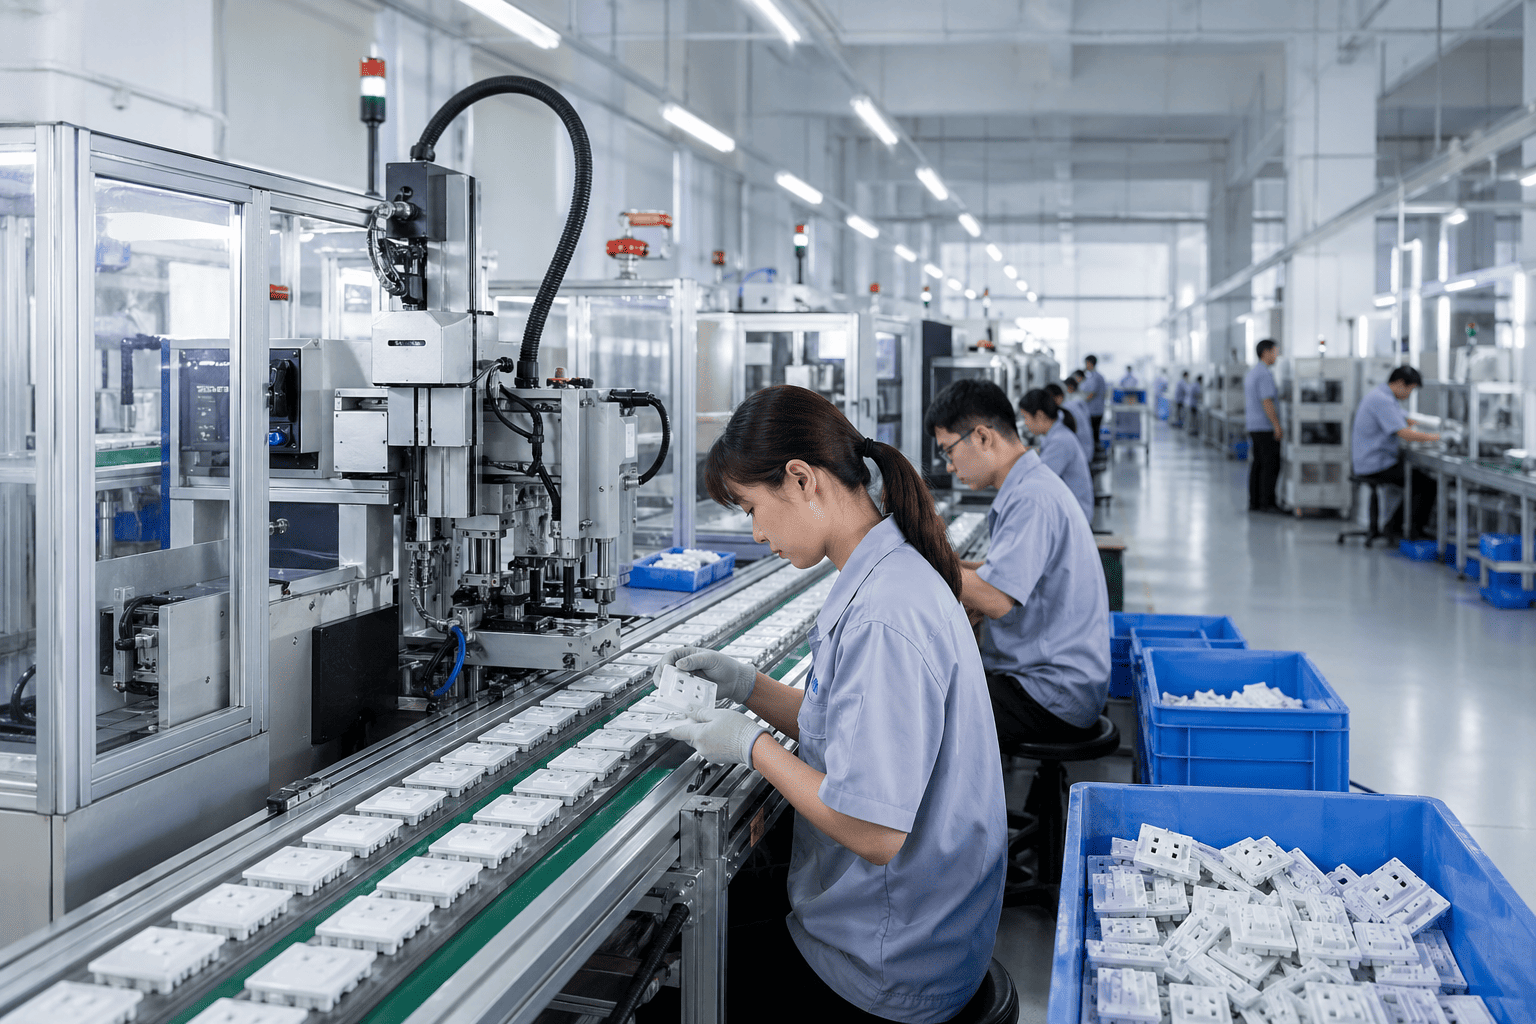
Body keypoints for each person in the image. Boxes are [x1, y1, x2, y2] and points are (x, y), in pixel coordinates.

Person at [662, 384, 1005, 1024]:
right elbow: (843, 729)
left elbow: (874, 831)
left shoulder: (884, 612)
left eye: (752, 509)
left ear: (801, 480)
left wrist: (750, 746)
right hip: (916, 924)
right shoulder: (884, 567)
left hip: (889, 961)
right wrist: (747, 686)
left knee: (679, 986)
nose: (758, 533)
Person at [924, 378, 1110, 754]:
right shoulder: (1029, 485)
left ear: (981, 437)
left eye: (949, 451)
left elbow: (995, 599)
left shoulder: (1031, 498)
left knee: (918, 706)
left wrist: (918, 561)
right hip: (1059, 680)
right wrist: (957, 567)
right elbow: (1003, 573)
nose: (948, 465)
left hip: (1053, 693)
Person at [1352, 365, 1441, 540]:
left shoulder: (1382, 396)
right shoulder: (1382, 400)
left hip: (1371, 460)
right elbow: (1403, 432)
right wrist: (1437, 438)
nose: (1409, 395)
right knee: (1426, 484)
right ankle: (1408, 530)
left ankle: (1394, 525)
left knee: (1418, 481)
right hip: (1375, 464)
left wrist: (1437, 424)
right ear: (1400, 383)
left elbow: (1406, 419)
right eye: (1411, 389)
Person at [1020, 388, 1093, 523]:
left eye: (1025, 417)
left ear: (1040, 416)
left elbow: (1039, 482)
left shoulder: (1060, 441)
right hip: (1070, 511)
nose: (1025, 423)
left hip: (1074, 518)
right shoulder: (1056, 434)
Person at [1245, 339, 1284, 513]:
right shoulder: (1264, 374)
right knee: (1270, 465)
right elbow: (1267, 402)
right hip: (1264, 426)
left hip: (1254, 425)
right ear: (1266, 352)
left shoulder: (1254, 372)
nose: (1276, 355)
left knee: (1258, 464)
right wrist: (1276, 425)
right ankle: (1268, 502)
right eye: (1275, 351)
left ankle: (1255, 502)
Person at [1058, 377, 1096, 463]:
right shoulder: (1077, 399)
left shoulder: (1074, 403)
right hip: (1085, 447)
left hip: (1083, 450)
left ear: (1070, 387)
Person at [1080, 355, 1107, 442]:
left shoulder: (1095, 377)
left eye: (1086, 363)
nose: (1085, 366)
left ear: (1089, 363)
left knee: (1093, 434)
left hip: (1095, 411)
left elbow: (1092, 394)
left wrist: (1080, 402)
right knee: (1094, 433)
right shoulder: (1092, 376)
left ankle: (1095, 453)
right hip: (1094, 410)